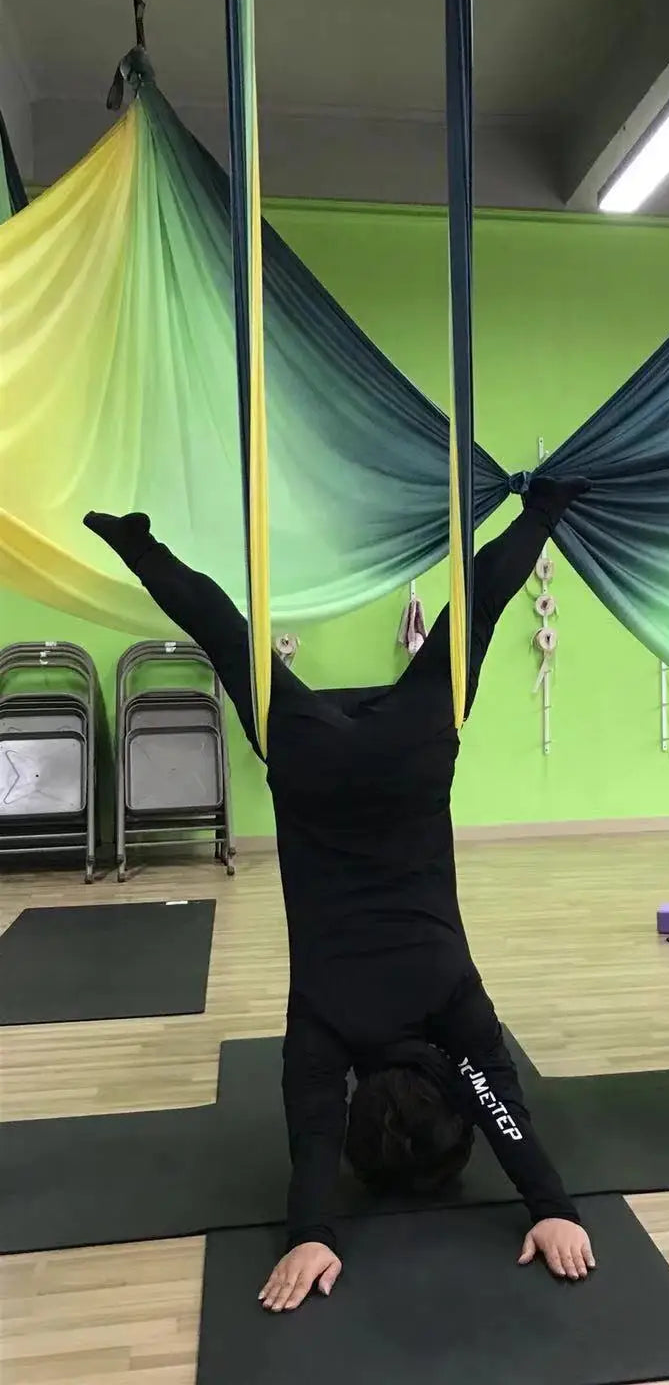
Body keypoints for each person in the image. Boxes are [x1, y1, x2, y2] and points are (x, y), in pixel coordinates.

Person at [84, 476, 594, 1312]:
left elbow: (503, 1109)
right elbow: (314, 1138)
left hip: (409, 766)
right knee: (228, 637)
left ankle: (545, 506)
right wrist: (310, 1233)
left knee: (474, 614)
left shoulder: (455, 1015)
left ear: (446, 1092)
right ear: (366, 1096)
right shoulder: (323, 1027)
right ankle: (136, 542)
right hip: (314, 774)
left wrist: (554, 1208)